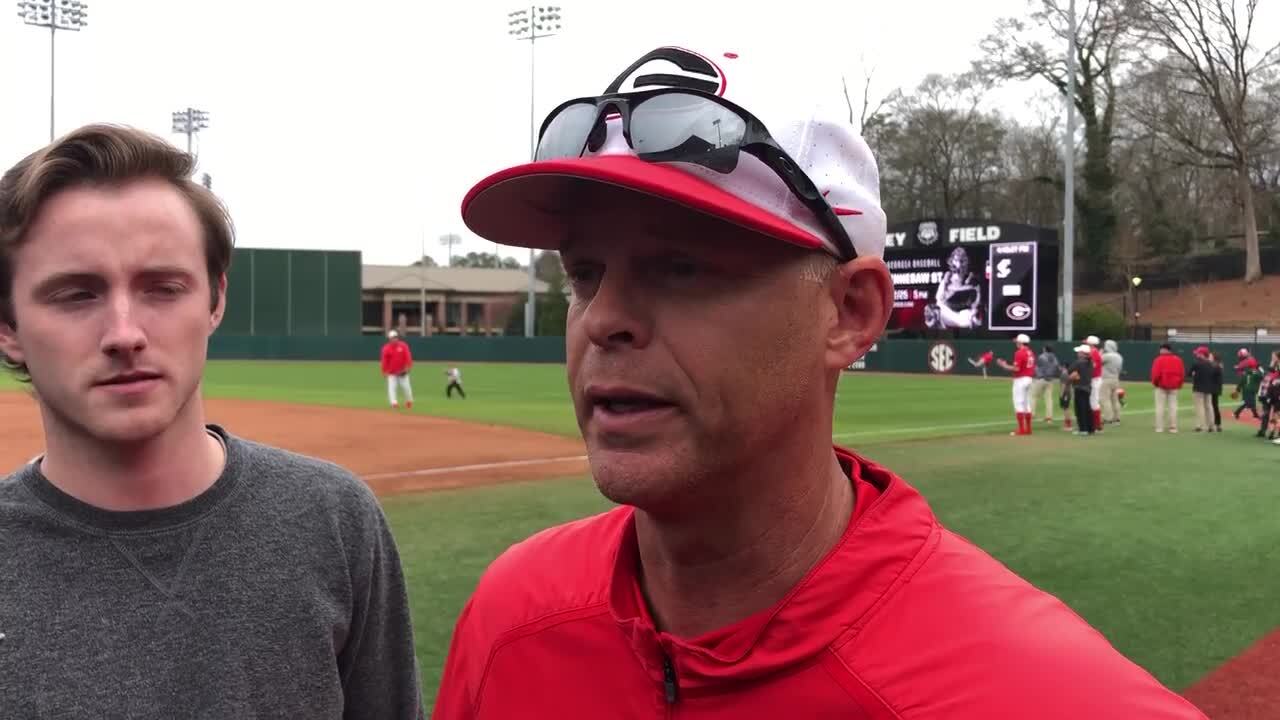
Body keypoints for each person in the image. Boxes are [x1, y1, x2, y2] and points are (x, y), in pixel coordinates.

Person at [431, 44, 1205, 718]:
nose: (605, 320)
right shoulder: (511, 614)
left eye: (681, 268)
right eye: (585, 273)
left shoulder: (1052, 699)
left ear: (850, 313)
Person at [0, 124, 424, 719]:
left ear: (215, 300)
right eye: (76, 294)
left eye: (164, 288)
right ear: (9, 327)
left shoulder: (333, 519)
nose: (125, 334)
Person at [996, 334, 1036, 436]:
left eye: (1017, 342)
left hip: (1021, 379)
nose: (1016, 343)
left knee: (1018, 403)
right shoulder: (1030, 352)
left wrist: (1004, 365)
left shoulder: (1019, 352)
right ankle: (1028, 429)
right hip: (1029, 379)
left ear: (1021, 342)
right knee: (1026, 404)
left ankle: (1022, 430)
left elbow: (1016, 369)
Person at [1151, 343, 1186, 433]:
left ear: (1164, 349)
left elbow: (1155, 374)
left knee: (1160, 407)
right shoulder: (1178, 360)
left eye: (1161, 349)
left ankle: (1159, 427)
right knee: (1173, 407)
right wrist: (1179, 384)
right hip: (1174, 386)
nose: (1160, 351)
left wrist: (1155, 383)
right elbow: (1182, 374)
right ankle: (1173, 427)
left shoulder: (1158, 360)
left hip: (1161, 386)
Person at [1067, 345, 1096, 436]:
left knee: (1080, 409)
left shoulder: (1079, 362)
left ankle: (1083, 429)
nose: (1078, 353)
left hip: (1079, 387)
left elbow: (1070, 371)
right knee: (1087, 408)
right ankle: (1090, 428)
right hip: (1087, 387)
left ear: (1083, 354)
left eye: (1079, 352)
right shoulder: (1090, 362)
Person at [381, 329, 414, 409]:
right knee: (392, 388)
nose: (394, 339)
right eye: (392, 337)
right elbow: (384, 361)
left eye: (395, 337)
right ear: (389, 339)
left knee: (406, 387)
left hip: (402, 371)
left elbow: (408, 356)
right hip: (391, 372)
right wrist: (383, 371)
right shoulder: (386, 348)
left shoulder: (403, 345)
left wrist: (409, 367)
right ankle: (394, 403)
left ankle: (409, 401)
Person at [1188, 346, 1216, 433]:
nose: (1196, 355)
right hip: (1209, 388)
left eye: (1198, 353)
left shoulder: (1196, 364)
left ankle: (1200, 426)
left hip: (1198, 388)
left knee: (1199, 407)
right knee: (1209, 407)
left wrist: (1194, 374)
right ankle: (1211, 426)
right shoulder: (1212, 364)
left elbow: (1189, 374)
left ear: (1202, 354)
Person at [1032, 344, 1061, 424]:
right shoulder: (1054, 358)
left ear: (1045, 349)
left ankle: (1032, 414)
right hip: (1050, 379)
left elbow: (1037, 368)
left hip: (1041, 379)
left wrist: (1037, 376)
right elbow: (1057, 368)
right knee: (1048, 399)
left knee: (1034, 396)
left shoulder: (1041, 357)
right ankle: (1049, 417)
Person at [1233, 350, 1263, 422]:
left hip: (1247, 388)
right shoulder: (1255, 371)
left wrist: (1237, 389)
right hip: (1251, 389)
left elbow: (1242, 380)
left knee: (1249, 402)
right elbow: (1261, 376)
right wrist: (1259, 368)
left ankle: (1238, 413)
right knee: (1250, 403)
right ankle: (1238, 413)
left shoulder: (1246, 371)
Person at [1100, 339, 1124, 425]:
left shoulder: (1107, 356)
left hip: (1106, 379)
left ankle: (1107, 418)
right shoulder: (1119, 356)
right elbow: (1120, 369)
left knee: (1105, 399)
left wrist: (1100, 352)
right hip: (1115, 379)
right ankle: (1117, 418)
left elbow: (1097, 361)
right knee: (1115, 399)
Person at [1085, 335, 1104, 433]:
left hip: (1094, 379)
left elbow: (1092, 367)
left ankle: (1097, 425)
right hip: (1095, 379)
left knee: (1093, 402)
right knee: (1093, 401)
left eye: (1087, 343)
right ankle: (1096, 424)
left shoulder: (1093, 353)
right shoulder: (1094, 352)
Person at [1207, 351, 1224, 432]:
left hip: (1213, 389)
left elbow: (1210, 375)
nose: (1209, 357)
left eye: (1210, 356)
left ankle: (1216, 424)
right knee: (1214, 406)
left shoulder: (1215, 366)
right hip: (1215, 388)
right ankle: (1217, 424)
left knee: (1213, 406)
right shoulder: (1217, 365)